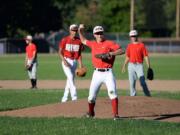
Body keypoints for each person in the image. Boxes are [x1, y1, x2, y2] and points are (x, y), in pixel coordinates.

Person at [78, 24, 125, 120]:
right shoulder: (93, 44)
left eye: (101, 33)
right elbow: (83, 40)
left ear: (103, 34)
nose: (99, 35)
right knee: (91, 97)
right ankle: (91, 113)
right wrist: (80, 31)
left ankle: (116, 115)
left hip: (108, 73)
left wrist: (110, 53)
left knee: (112, 93)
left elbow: (122, 50)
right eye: (97, 33)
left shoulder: (109, 43)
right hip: (97, 74)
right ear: (94, 35)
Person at [122, 30, 151, 97]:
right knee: (132, 83)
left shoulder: (141, 45)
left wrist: (149, 67)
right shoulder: (129, 46)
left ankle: (148, 96)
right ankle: (133, 97)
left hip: (139, 66)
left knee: (142, 82)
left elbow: (145, 56)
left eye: (134, 36)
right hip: (131, 66)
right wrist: (124, 66)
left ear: (137, 36)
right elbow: (127, 57)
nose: (133, 37)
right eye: (132, 36)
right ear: (130, 37)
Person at [59, 24, 84, 103]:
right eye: (73, 30)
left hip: (74, 62)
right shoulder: (65, 40)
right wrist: (64, 61)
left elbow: (79, 54)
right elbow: (59, 52)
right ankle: (74, 97)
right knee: (70, 77)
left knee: (69, 80)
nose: (74, 32)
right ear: (70, 31)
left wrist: (80, 65)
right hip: (66, 60)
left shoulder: (79, 41)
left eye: (76, 30)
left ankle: (64, 98)